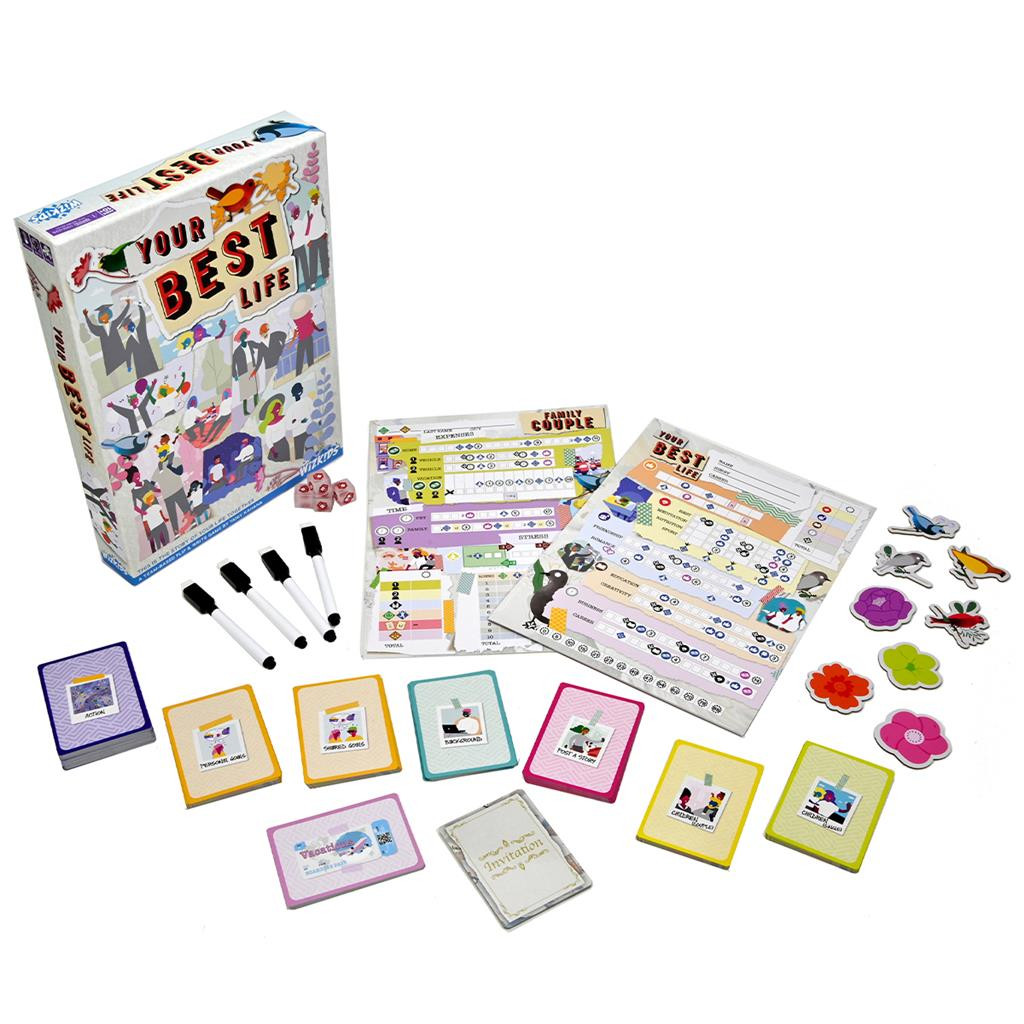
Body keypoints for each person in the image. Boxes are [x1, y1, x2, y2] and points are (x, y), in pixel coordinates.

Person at [83, 300, 131, 375]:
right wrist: (86, 316)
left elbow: (122, 315)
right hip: (109, 357)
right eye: (101, 316)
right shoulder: (100, 330)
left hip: (119, 354)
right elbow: (92, 327)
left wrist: (128, 305)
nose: (103, 317)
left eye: (105, 315)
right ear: (100, 318)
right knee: (114, 374)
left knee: (125, 370)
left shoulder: (114, 324)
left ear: (109, 315)